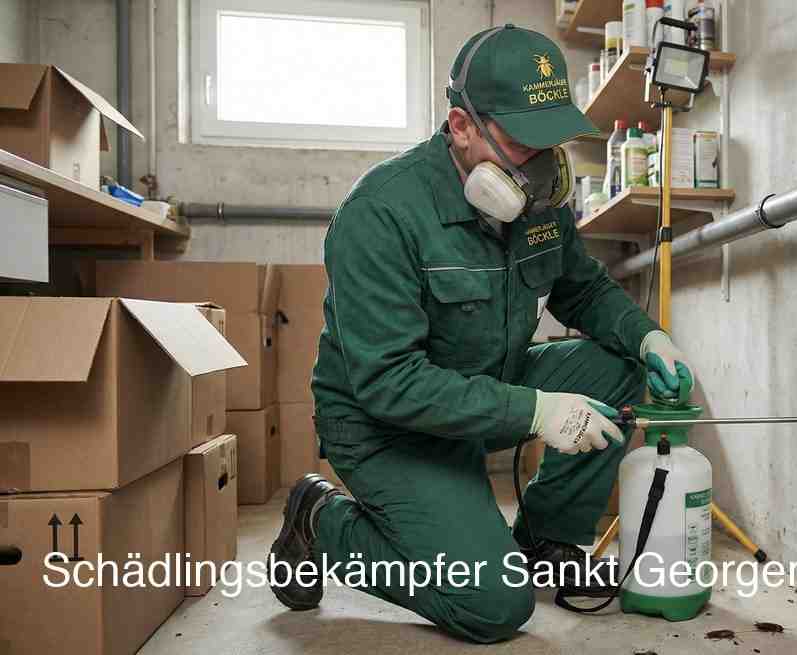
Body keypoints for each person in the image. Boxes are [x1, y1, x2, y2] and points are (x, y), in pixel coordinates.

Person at [267, 24, 696, 644]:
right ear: (462, 127)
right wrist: (537, 410)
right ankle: (320, 518)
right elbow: (389, 382)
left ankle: (544, 541)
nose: (543, 166)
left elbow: (583, 288)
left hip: (485, 388)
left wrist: (648, 337)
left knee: (617, 366)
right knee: (493, 606)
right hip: (387, 428)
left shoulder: (537, 199)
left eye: (553, 142)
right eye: (525, 143)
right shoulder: (381, 214)